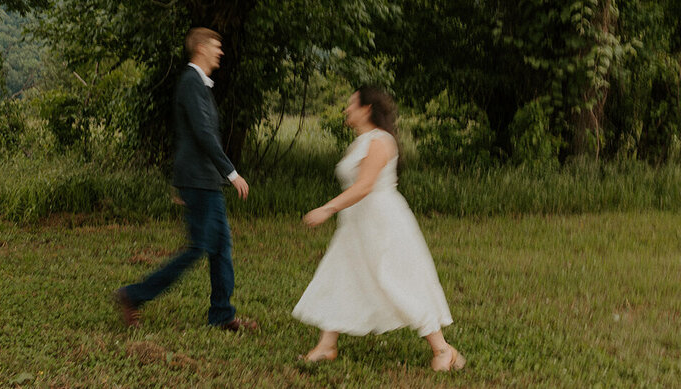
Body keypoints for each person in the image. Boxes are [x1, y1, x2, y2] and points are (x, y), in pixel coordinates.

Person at [292, 86, 465, 371]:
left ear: (366, 109)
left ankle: (443, 349)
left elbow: (364, 186)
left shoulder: (380, 141)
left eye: (351, 104)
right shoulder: (361, 141)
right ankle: (326, 346)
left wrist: (327, 208)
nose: (347, 109)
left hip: (381, 223)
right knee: (340, 275)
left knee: (396, 282)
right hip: (355, 225)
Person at [114, 27, 257, 332]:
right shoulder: (191, 82)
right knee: (197, 249)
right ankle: (132, 295)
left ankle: (222, 314)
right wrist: (231, 172)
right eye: (216, 46)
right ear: (201, 49)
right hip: (199, 181)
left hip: (203, 181)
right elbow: (204, 133)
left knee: (220, 249)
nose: (220, 52)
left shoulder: (201, 85)